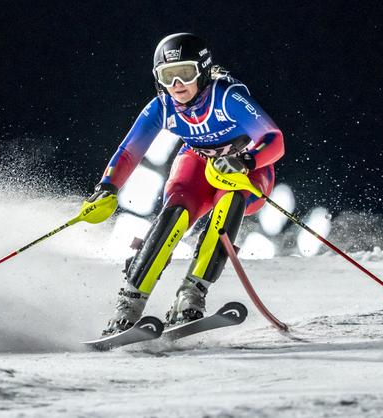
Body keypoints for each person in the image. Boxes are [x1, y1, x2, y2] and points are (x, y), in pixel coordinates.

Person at [84, 33, 285, 335]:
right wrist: (107, 187)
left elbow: (274, 139)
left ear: (202, 70)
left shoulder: (227, 96)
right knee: (176, 210)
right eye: (168, 76)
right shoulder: (162, 106)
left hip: (245, 170)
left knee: (230, 202)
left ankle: (192, 294)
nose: (177, 84)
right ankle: (130, 303)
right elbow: (130, 150)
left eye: (185, 73)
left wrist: (246, 161)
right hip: (199, 163)